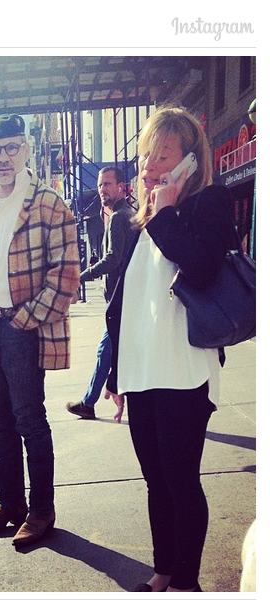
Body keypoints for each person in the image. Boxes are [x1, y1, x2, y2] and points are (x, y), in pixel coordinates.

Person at [104, 105, 238, 592]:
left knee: (181, 481)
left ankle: (186, 584)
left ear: (190, 162)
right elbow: (131, 306)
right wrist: (116, 374)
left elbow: (201, 269)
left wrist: (165, 212)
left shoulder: (208, 204)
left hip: (183, 371)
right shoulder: (141, 221)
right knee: (155, 481)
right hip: (142, 372)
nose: (149, 166)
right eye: (146, 156)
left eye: (163, 156)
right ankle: (163, 572)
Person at [0, 114, 80, 548]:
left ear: (26, 150)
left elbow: (66, 276)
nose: (3, 157)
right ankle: (10, 505)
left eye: (12, 147)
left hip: (21, 328)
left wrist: (24, 320)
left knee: (30, 421)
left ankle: (41, 510)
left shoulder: (49, 203)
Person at [66, 167, 134, 421]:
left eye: (108, 184)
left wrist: (81, 276)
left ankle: (89, 402)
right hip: (126, 298)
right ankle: (91, 401)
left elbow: (112, 259)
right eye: (100, 185)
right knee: (111, 352)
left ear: (121, 187)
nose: (102, 190)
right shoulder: (128, 214)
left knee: (106, 351)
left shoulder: (118, 217)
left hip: (121, 300)